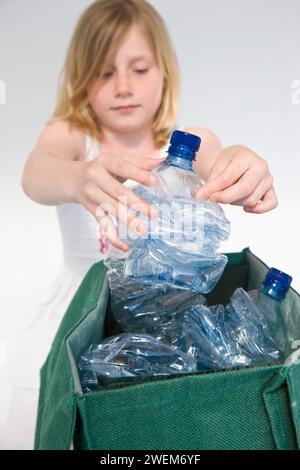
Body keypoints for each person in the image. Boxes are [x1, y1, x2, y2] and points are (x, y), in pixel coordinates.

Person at [3, 0, 277, 450]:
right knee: (56, 410)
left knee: (154, 422)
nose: (123, 86)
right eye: (104, 72)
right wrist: (77, 177)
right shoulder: (75, 135)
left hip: (167, 310)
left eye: (140, 68)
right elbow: (36, 172)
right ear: (80, 80)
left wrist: (243, 162)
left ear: (165, 72)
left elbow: (220, 158)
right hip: (82, 304)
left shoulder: (189, 143)